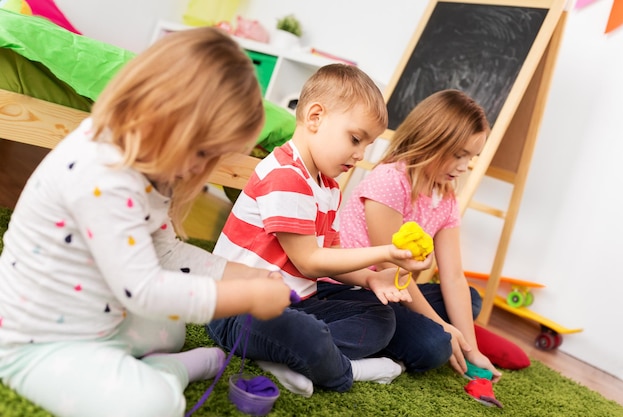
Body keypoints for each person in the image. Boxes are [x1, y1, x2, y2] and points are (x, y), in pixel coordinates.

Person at [0, 27, 293, 417]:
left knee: (170, 329)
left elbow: (165, 251)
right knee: (154, 405)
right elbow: (143, 290)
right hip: (38, 344)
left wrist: (244, 275)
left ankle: (144, 365)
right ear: (163, 114)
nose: (198, 169)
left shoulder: (148, 161)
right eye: (202, 152)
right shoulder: (100, 174)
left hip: (100, 316)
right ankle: (168, 373)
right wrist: (248, 297)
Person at [208, 64, 427, 397]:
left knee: (380, 317)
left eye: (367, 145)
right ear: (314, 117)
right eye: (355, 139)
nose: (360, 154)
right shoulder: (285, 174)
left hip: (297, 303)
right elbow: (310, 261)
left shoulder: (328, 186)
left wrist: (370, 277)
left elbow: (331, 258)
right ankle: (344, 370)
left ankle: (296, 356)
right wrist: (386, 254)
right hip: (239, 309)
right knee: (299, 331)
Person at [318, 89, 502, 382]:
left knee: (469, 298)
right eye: (459, 154)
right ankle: (392, 344)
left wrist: (472, 349)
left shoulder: (446, 197)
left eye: (472, 157)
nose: (465, 166)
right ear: (431, 140)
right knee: (433, 345)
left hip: (394, 292)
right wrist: (441, 326)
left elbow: (453, 276)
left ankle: (450, 334)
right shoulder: (391, 180)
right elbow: (392, 270)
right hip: (350, 288)